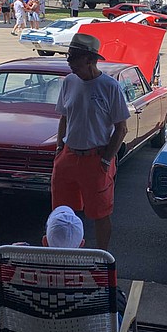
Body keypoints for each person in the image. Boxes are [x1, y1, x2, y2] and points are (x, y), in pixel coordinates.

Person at [51, 34, 129, 251]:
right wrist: (59, 149)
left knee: (100, 213)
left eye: (73, 56)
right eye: (69, 55)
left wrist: (106, 160)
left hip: (96, 159)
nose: (68, 61)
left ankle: (102, 258)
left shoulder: (109, 86)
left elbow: (121, 128)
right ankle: (63, 254)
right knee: (62, 213)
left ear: (89, 59)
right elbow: (64, 117)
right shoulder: (69, 81)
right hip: (68, 156)